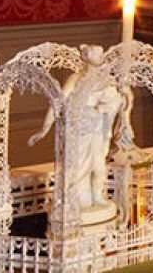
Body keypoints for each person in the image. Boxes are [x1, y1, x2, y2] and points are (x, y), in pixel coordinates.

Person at [29, 45, 133, 220]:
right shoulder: (75, 79)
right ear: (87, 57)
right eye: (97, 54)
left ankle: (97, 196)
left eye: (101, 54)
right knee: (79, 166)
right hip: (80, 129)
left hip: (99, 129)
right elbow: (57, 103)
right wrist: (44, 129)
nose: (101, 57)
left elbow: (123, 99)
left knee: (99, 166)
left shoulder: (106, 79)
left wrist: (121, 105)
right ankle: (78, 199)